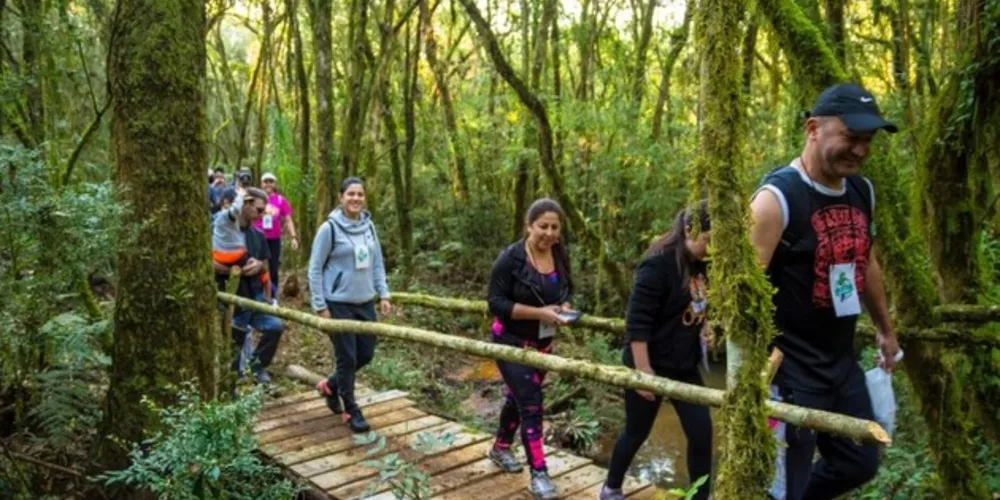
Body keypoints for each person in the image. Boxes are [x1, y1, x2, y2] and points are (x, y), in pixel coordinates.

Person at [749, 83, 901, 500]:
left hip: (840, 361)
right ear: (813, 128)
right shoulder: (775, 199)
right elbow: (743, 291)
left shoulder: (861, 191)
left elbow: (865, 262)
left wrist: (886, 330)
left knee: (860, 460)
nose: (860, 150)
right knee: (785, 484)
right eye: (851, 138)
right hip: (790, 369)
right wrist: (751, 371)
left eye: (867, 141)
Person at [600, 202, 713, 500]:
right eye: (709, 240)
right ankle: (611, 486)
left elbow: (698, 303)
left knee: (702, 433)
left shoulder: (703, 265)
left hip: (685, 365)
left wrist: (705, 326)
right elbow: (637, 323)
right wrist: (643, 373)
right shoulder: (658, 263)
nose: (712, 248)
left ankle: (700, 497)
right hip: (649, 362)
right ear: (690, 230)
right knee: (637, 431)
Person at [485, 198, 576, 500]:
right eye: (543, 226)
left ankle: (500, 448)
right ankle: (539, 472)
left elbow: (566, 289)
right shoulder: (510, 259)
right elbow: (496, 304)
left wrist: (563, 308)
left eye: (554, 227)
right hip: (510, 341)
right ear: (529, 226)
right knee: (532, 403)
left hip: (543, 342)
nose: (549, 233)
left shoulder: (560, 254)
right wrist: (540, 314)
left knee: (518, 398)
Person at [307, 177, 392, 433]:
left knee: (365, 354)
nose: (355, 199)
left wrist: (384, 294)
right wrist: (320, 305)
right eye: (350, 194)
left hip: (364, 301)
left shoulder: (369, 227)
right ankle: (351, 409)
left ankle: (331, 386)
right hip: (339, 303)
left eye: (360, 194)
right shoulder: (329, 229)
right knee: (347, 358)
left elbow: (377, 263)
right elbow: (314, 268)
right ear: (341, 197)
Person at [213, 187, 285, 385]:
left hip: (255, 297)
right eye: (259, 210)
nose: (261, 215)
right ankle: (232, 384)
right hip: (231, 299)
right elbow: (207, 262)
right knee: (236, 341)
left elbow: (266, 266)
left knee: (275, 327)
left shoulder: (258, 235)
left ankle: (257, 366)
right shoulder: (221, 228)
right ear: (245, 204)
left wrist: (259, 267)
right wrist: (231, 270)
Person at [253, 172, 299, 303]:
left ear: (274, 184)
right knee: (255, 265)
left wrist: (293, 237)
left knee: (273, 268)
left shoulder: (280, 200)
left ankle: (273, 296)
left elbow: (288, 219)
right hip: (257, 237)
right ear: (261, 183)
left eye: (271, 181)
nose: (268, 184)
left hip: (274, 238)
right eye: (265, 181)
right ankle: (257, 294)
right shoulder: (255, 200)